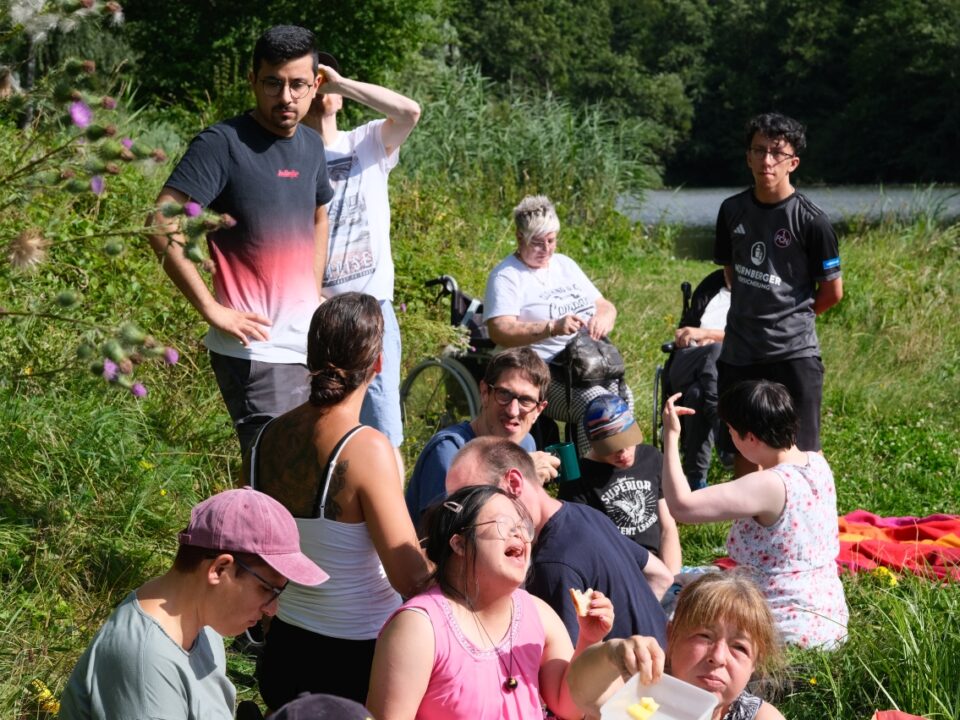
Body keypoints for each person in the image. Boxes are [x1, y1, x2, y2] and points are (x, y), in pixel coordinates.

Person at [148, 26, 335, 455]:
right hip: (256, 352)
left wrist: (312, 285)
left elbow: (318, 213)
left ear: (316, 84)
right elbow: (161, 220)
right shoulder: (222, 144)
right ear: (253, 81)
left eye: (297, 84)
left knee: (304, 469)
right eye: (273, 82)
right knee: (274, 472)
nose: (285, 97)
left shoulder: (310, 144)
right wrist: (212, 309)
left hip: (306, 344)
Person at [244, 292, 432, 708]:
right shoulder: (367, 449)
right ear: (378, 363)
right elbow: (410, 578)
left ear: (310, 357)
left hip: (285, 651)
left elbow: (251, 544)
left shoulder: (266, 438)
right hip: (356, 657)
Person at [59, 488, 329, 720]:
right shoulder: (146, 662)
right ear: (220, 569)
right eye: (267, 589)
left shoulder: (204, 623)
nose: (272, 609)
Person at [366, 484, 615, 720]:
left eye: (522, 526)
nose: (519, 534)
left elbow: (568, 705)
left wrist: (588, 640)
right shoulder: (418, 628)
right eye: (503, 524)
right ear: (460, 543)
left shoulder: (537, 613)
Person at [661, 380, 848, 648]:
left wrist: (670, 436)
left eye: (731, 431)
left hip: (780, 624)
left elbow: (681, 506)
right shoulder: (816, 461)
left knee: (670, 597)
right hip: (827, 615)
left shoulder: (770, 484)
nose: (731, 439)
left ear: (750, 437)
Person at [301, 53, 420, 465]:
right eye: (308, 82)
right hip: (317, 312)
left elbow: (410, 111)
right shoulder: (291, 156)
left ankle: (393, 523)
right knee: (319, 427)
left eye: (322, 80)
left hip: (374, 311)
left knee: (384, 430)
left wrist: (339, 82)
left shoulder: (367, 141)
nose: (318, 89)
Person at [446, 436, 672, 647]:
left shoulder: (551, 565)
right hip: (663, 672)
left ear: (514, 483)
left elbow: (569, 676)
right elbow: (661, 576)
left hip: (632, 686)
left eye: (472, 500)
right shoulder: (585, 514)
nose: (463, 518)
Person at [714, 112, 843, 477]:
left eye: (776, 152)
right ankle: (749, 529)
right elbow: (730, 272)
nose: (767, 160)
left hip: (793, 353)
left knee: (803, 451)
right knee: (745, 445)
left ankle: (809, 527)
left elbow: (833, 292)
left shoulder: (812, 220)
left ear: (793, 162)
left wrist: (791, 318)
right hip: (741, 351)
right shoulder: (731, 210)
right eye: (759, 150)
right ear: (748, 157)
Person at [483, 194, 633, 456]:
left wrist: (603, 318)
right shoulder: (506, 276)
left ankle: (621, 474)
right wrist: (552, 327)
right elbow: (499, 330)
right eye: (537, 243)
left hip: (588, 365)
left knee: (624, 397)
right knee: (597, 405)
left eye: (551, 241)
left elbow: (605, 305)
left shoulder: (565, 265)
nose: (546, 250)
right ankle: (588, 481)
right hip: (541, 371)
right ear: (519, 238)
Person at [568, 571, 787, 720]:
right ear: (672, 636)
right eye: (704, 636)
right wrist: (611, 652)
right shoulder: (641, 689)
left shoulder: (757, 716)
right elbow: (582, 691)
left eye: (739, 647)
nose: (718, 657)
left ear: (755, 663)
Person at [404, 347, 560, 525]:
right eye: (504, 394)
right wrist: (520, 480)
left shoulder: (526, 444)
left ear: (539, 410)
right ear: (485, 393)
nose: (513, 410)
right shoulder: (449, 451)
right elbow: (440, 536)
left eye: (526, 400)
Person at [560, 393, 682, 575]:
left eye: (627, 442)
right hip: (616, 569)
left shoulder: (651, 457)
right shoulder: (579, 477)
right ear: (594, 444)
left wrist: (672, 576)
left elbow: (667, 527)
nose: (623, 453)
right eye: (612, 448)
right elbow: (582, 545)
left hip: (658, 565)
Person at [666, 268, 730, 489]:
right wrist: (687, 337)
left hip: (726, 371)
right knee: (713, 352)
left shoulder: (754, 297)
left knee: (697, 395)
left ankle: (695, 479)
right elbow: (683, 329)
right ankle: (722, 430)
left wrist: (709, 335)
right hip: (687, 361)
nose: (730, 272)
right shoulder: (712, 285)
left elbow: (754, 335)